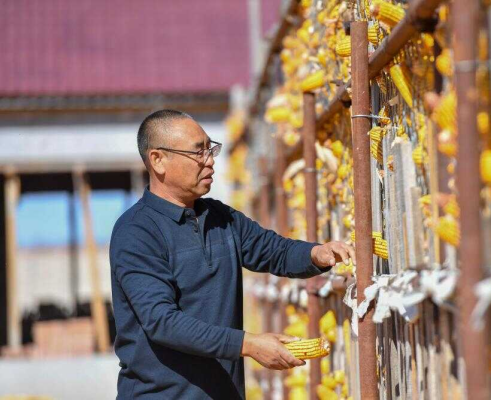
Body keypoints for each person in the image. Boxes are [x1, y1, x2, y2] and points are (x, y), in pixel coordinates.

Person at [110, 110, 356, 399]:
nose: (210, 160)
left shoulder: (221, 217)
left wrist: (317, 253)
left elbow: (274, 250)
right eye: (198, 152)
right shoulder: (136, 232)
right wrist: (248, 344)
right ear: (158, 160)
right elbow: (162, 321)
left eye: (211, 149)